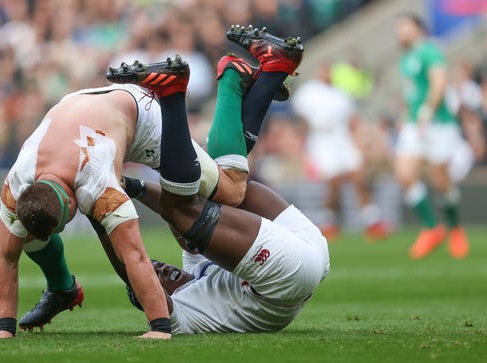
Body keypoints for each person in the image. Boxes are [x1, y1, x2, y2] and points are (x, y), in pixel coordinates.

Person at [0, 25, 295, 339]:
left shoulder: (97, 182)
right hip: (87, 103)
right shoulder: (17, 183)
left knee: (230, 189)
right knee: (25, 234)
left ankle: (231, 78)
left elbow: (135, 256)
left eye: (67, 222)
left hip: (142, 116)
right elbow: (5, 255)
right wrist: (5, 328)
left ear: (71, 204)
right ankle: (62, 288)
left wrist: (160, 326)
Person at [105, 26, 329, 333]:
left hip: (303, 248)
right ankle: (176, 94)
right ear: (151, 294)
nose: (157, 266)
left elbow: (187, 203)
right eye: (151, 274)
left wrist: (134, 186)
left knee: (217, 189)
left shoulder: (194, 268)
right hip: (285, 281)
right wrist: (100, 210)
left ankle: (267, 71)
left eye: (154, 265)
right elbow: (169, 220)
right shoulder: (181, 315)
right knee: (192, 206)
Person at [394, 14, 469, 259]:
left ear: (418, 29)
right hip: (416, 124)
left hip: (438, 123)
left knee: (440, 180)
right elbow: (412, 92)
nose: (400, 32)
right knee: (405, 174)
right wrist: (407, 116)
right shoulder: (407, 58)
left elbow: (439, 82)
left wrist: (427, 110)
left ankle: (455, 228)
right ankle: (431, 228)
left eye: (404, 26)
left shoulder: (430, 51)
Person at [291, 62, 390, 240]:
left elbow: (352, 120)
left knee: (358, 178)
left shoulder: (341, 94)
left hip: (342, 139)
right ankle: (329, 221)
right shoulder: (309, 92)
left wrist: (360, 141)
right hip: (321, 141)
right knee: (334, 182)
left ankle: (372, 220)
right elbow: (301, 119)